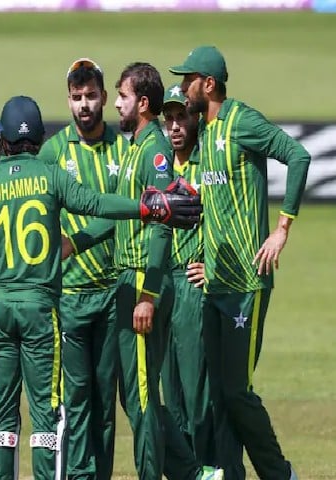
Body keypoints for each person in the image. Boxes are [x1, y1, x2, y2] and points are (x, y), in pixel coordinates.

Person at [0, 95, 203, 480]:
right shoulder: (50, 176)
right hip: (40, 311)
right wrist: (148, 207)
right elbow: (95, 204)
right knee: (46, 416)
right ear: (39, 139)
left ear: (2, 139)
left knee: (3, 416)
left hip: (1, 309)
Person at [65, 63, 223, 480]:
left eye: (123, 96)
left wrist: (149, 294)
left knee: (142, 398)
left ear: (143, 103)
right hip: (128, 279)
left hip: (140, 280)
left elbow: (162, 223)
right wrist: (73, 244)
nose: (116, 104)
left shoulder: (154, 150)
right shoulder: (134, 147)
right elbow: (120, 216)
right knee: (137, 397)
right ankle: (194, 473)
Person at [169, 45, 311, 480]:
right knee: (217, 393)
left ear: (208, 84)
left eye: (189, 80)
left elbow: (298, 155)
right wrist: (204, 261)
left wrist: (282, 228)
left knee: (236, 391)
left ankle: (279, 473)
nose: (184, 87)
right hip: (215, 284)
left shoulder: (241, 121)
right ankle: (230, 472)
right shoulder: (205, 132)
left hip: (246, 284)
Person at [38, 57, 127, 480]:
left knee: (105, 403)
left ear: (105, 97)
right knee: (76, 401)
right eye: (77, 97)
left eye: (91, 96)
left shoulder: (123, 149)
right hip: (69, 296)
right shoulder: (53, 152)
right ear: (68, 100)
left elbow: (128, 214)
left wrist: (77, 241)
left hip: (112, 292)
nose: (84, 105)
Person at [159, 83, 215, 466]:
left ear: (194, 118)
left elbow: (226, 221)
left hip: (193, 285)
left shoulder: (206, 165)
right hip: (162, 284)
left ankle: (209, 466)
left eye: (182, 117)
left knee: (197, 394)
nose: (176, 126)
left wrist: (213, 265)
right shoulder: (158, 164)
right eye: (170, 119)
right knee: (171, 393)